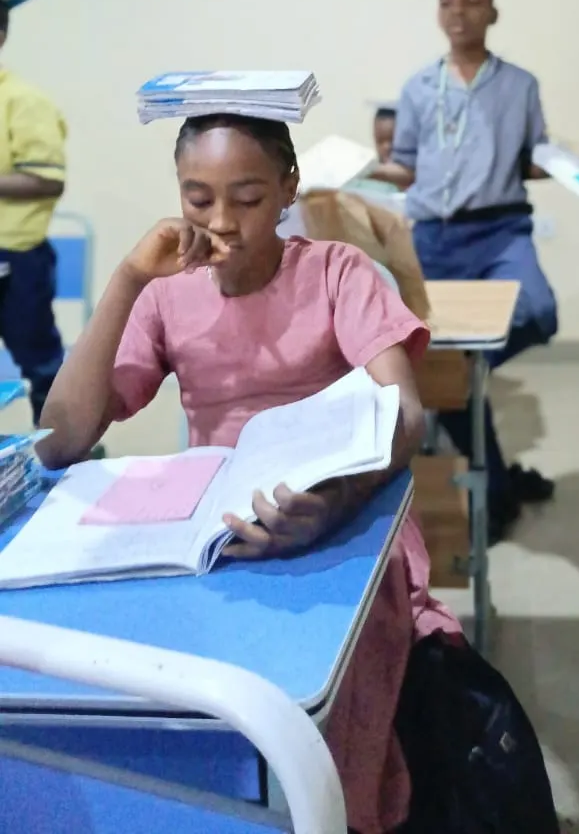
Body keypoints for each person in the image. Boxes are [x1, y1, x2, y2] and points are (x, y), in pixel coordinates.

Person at [36, 112, 462, 834]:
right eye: (198, 198)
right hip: (222, 536)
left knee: (335, 701)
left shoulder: (336, 273)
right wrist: (128, 279)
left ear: (289, 187)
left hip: (345, 523)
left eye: (249, 197)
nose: (222, 222)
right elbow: (61, 440)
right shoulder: (167, 292)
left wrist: (332, 502)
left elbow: (404, 415)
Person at [372, 0, 557, 541]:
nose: (458, 11)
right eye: (447, 1)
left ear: (492, 11)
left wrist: (568, 167)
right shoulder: (417, 88)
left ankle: (467, 371)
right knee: (444, 369)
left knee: (539, 311)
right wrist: (357, 170)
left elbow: (533, 158)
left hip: (501, 230)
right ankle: (497, 493)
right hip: (434, 236)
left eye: (471, 0)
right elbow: (405, 165)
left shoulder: (521, 86)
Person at [0, 0, 67, 425]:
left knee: (43, 367)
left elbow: (48, 179)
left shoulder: (24, 101)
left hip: (15, 257)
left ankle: (62, 454)